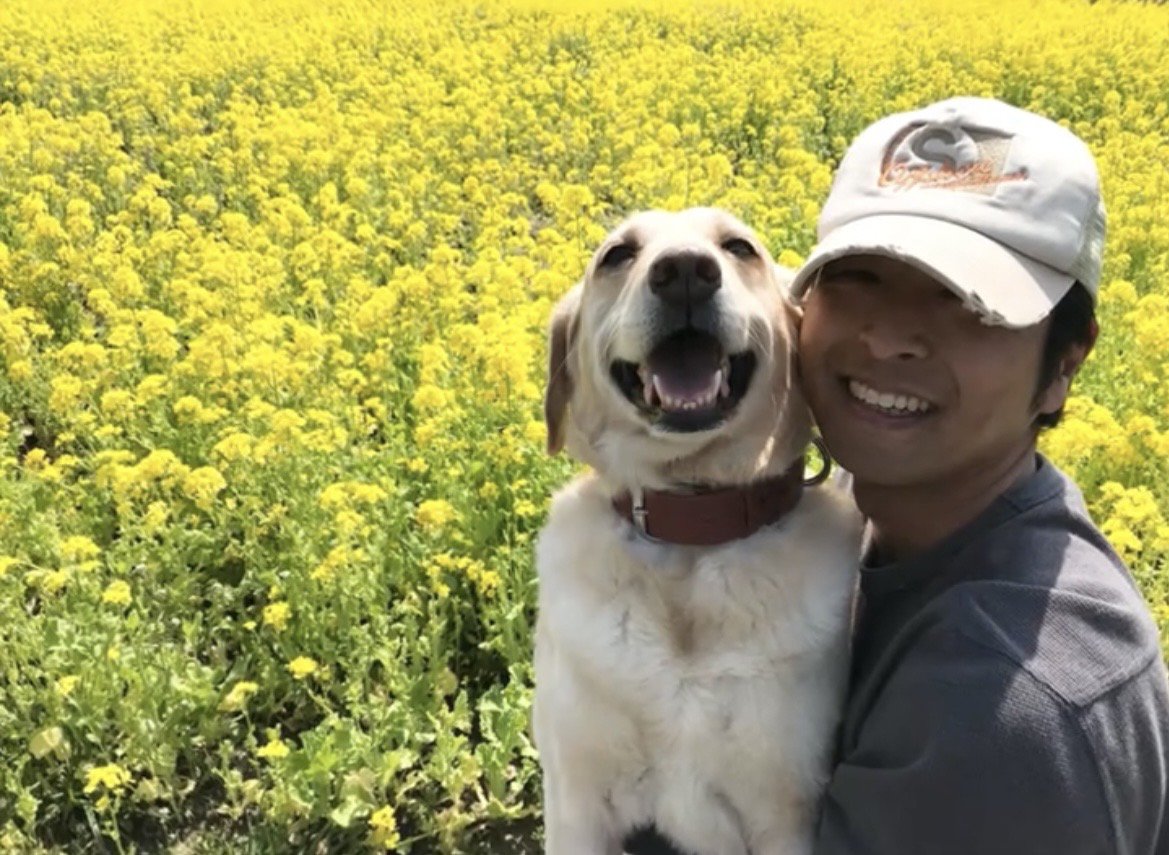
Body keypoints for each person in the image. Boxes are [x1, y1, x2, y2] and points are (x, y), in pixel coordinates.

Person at [625, 97, 1169, 855]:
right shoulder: (855, 523)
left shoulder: (1003, 705)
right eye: (858, 279)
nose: (886, 337)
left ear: (1064, 364)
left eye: (967, 302)